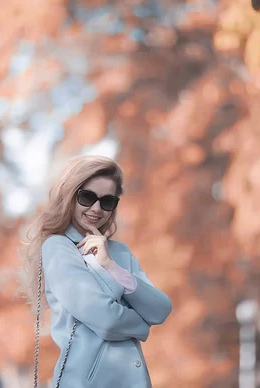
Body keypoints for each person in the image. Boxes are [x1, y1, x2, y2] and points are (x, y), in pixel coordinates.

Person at [20, 155, 172, 387]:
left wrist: (111, 266)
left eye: (107, 201)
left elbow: (160, 309)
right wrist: (142, 325)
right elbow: (107, 319)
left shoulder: (119, 253)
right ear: (70, 196)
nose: (96, 208)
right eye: (87, 197)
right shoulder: (58, 247)